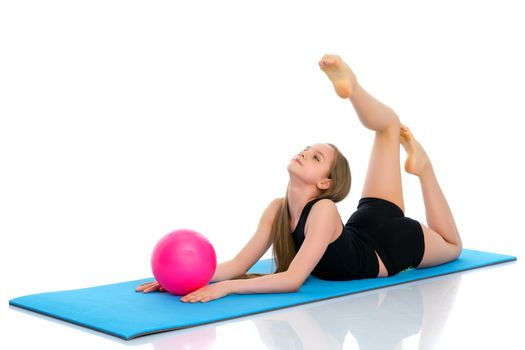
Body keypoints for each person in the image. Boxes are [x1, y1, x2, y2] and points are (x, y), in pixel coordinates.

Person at [137, 54, 463, 302]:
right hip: (366, 222)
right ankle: (415, 158)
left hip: (392, 245)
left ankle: (422, 166)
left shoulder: (323, 210)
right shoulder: (277, 208)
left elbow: (293, 279)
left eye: (316, 157)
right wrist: (185, 280)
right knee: (389, 127)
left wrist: (225, 290)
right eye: (307, 149)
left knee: (453, 246)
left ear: (325, 184)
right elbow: (237, 263)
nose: (305, 152)